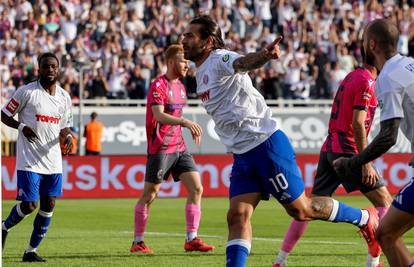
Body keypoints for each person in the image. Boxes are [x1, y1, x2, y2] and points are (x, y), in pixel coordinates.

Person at [181, 15, 380, 267]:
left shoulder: (219, 58)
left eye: (190, 36)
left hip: (266, 146)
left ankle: (365, 218)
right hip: (242, 155)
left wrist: (264, 56)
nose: (183, 40)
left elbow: (242, 62)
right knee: (237, 216)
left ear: (208, 41)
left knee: (302, 210)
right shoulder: (201, 72)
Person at [273, 47, 393, 267]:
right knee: (384, 201)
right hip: (348, 149)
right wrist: (364, 160)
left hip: (330, 146)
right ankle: (374, 261)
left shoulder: (351, 76)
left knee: (309, 207)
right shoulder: (367, 82)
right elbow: (357, 122)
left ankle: (280, 259)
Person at [334, 19, 414, 267]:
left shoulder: (387, 76)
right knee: (387, 233)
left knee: (386, 234)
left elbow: (388, 135)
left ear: (372, 44)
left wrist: (354, 162)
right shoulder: (410, 64)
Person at [130, 44, 214, 253]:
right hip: (160, 148)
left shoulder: (182, 87)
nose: (187, 64)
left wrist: (184, 126)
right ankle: (138, 242)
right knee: (151, 194)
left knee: (197, 188)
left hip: (179, 147)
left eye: (187, 61)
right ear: (170, 62)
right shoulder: (158, 85)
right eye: (183, 60)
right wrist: (185, 122)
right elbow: (158, 116)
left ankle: (191, 238)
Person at [1, 52, 73, 262]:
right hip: (30, 160)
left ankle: (30, 251)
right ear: (39, 69)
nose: (50, 70)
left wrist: (67, 136)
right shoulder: (26, 92)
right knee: (30, 205)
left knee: (49, 203)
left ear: (58, 69)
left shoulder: (64, 97)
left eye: (53, 66)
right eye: (46, 66)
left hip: (53, 161)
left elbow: (64, 126)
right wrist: (22, 126)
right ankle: (3, 227)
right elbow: (4, 114)